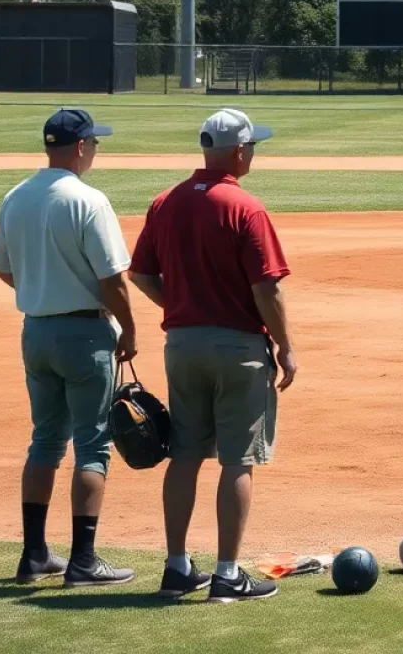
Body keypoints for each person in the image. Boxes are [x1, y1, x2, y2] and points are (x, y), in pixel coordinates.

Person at [128, 109, 297, 603]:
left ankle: (177, 567)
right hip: (237, 347)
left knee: (183, 454)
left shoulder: (165, 203)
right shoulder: (245, 208)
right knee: (237, 460)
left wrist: (179, 305)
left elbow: (140, 275)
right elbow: (267, 289)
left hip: (181, 346)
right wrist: (286, 347)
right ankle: (227, 574)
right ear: (239, 151)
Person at [0, 109, 137, 587]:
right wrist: (131, 327)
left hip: (35, 332)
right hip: (85, 335)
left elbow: (3, 267)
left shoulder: (15, 197)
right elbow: (113, 279)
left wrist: (37, 287)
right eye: (94, 143)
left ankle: (34, 555)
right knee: (93, 444)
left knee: (46, 441)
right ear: (79, 147)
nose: (96, 150)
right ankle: (83, 561)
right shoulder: (88, 201)